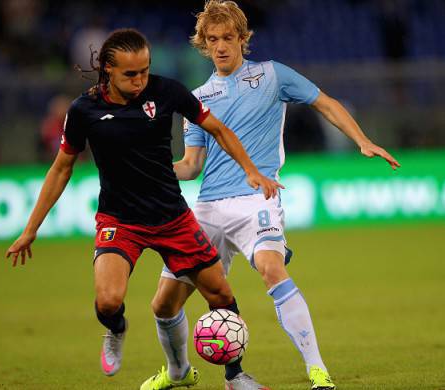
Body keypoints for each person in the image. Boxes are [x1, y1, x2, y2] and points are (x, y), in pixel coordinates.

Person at [142, 2, 401, 390]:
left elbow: (325, 102)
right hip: (208, 208)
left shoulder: (272, 75)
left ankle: (318, 371)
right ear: (204, 44)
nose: (221, 47)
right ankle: (178, 371)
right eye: (212, 40)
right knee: (163, 304)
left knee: (271, 268)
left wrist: (362, 141)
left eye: (228, 38)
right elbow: (191, 165)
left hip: (256, 199)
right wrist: (151, 168)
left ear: (243, 39)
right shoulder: (196, 97)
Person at [5, 28, 282, 382]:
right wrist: (30, 230)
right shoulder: (83, 111)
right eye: (130, 74)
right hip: (120, 221)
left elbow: (218, 129)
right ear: (107, 69)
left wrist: (250, 170)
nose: (140, 81)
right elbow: (61, 168)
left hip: (172, 217)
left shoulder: (167, 92)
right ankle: (116, 329)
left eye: (145, 71)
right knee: (108, 300)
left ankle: (235, 376)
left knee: (221, 293)